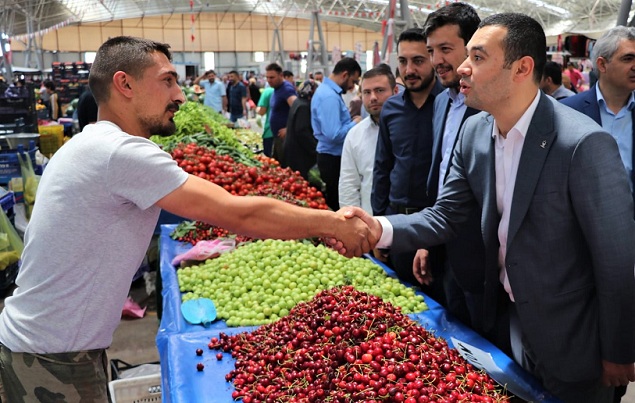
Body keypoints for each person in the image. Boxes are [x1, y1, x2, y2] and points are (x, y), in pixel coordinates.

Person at [0, 36, 374, 401]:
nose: (179, 95)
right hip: (51, 358)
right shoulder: (120, 152)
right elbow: (236, 212)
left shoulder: (91, 143)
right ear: (124, 84)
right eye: (167, 81)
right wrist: (332, 223)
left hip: (47, 347)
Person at [345, 13, 635, 403]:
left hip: (570, 339)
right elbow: (445, 215)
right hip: (500, 321)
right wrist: (377, 227)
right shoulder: (476, 132)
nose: (462, 67)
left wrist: (618, 350)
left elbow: (616, 261)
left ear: (522, 68)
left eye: (478, 58)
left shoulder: (582, 145)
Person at [417, 2, 501, 344]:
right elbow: (441, 172)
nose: (437, 60)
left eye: (446, 49)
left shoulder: (492, 106)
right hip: (444, 248)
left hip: (484, 260)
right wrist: (427, 239)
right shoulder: (441, 102)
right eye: (432, 51)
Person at [560, 26, 635, 403]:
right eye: (629, 58)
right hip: (585, 241)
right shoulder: (569, 113)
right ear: (602, 64)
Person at [371, 27, 443, 288]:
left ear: (433, 59)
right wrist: (376, 226)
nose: (409, 69)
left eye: (418, 61)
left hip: (439, 229)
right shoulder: (391, 107)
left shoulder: (450, 105)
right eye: (403, 61)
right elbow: (383, 167)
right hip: (397, 223)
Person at [339, 64, 398, 214]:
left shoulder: (411, 129)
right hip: (370, 222)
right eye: (367, 92)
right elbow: (349, 185)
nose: (373, 97)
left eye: (379, 90)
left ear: (395, 91)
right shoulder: (355, 135)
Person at [311, 57, 362, 211]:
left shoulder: (329, 92)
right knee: (337, 202)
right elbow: (333, 134)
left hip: (332, 156)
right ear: (345, 75)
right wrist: (355, 124)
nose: (353, 86)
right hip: (332, 159)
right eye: (353, 81)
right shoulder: (329, 97)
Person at [284, 80, 318, 182]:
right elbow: (302, 131)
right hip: (299, 153)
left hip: (292, 149)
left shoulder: (297, 102)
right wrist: (315, 148)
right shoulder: (304, 106)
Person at [266, 63, 298, 166]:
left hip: (286, 139)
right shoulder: (277, 88)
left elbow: (298, 109)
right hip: (278, 138)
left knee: (286, 167)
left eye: (272, 77)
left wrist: (289, 128)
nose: (269, 80)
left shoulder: (286, 89)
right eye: (267, 77)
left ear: (281, 75)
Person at [256, 86, 275, 157]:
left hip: (269, 132)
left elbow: (261, 111)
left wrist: (257, 109)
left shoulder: (267, 92)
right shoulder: (288, 91)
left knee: (270, 159)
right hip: (283, 132)